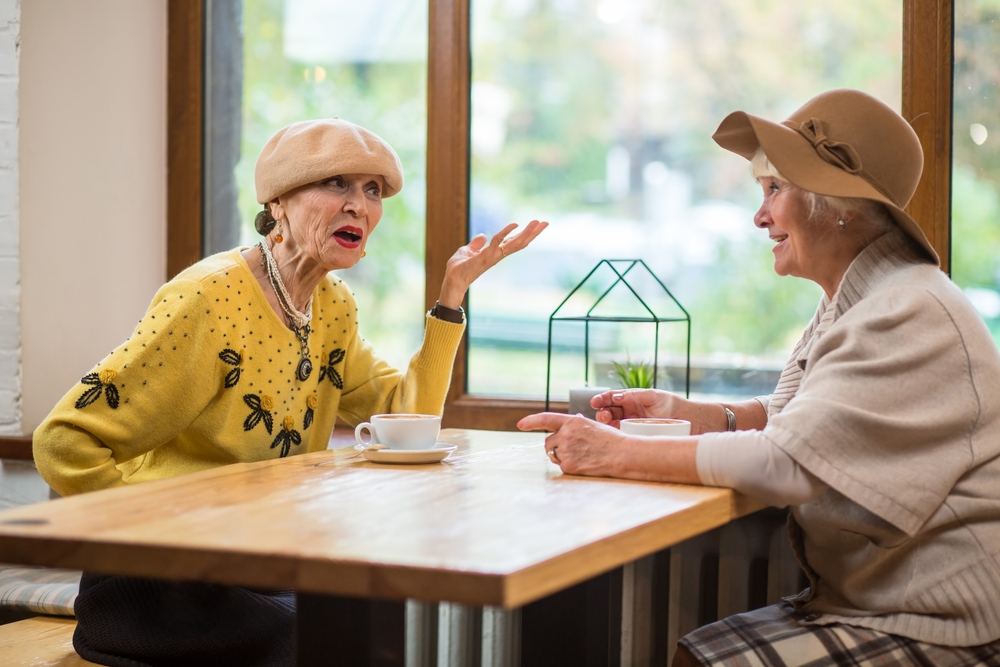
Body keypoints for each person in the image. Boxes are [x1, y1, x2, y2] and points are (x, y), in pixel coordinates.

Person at [33, 117, 546, 667]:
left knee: (381, 616)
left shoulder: (333, 307)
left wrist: (452, 295)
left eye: (372, 190)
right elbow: (64, 442)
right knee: (342, 639)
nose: (359, 205)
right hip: (159, 589)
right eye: (336, 184)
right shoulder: (208, 298)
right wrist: (161, 541)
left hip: (260, 568)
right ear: (277, 202)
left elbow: (406, 419)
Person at [519, 89, 1000, 666]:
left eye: (776, 189)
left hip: (939, 623)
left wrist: (611, 453)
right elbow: (794, 420)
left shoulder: (906, 308)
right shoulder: (865, 295)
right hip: (882, 601)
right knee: (693, 655)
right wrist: (696, 415)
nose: (760, 215)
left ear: (841, 201)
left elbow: (786, 464)